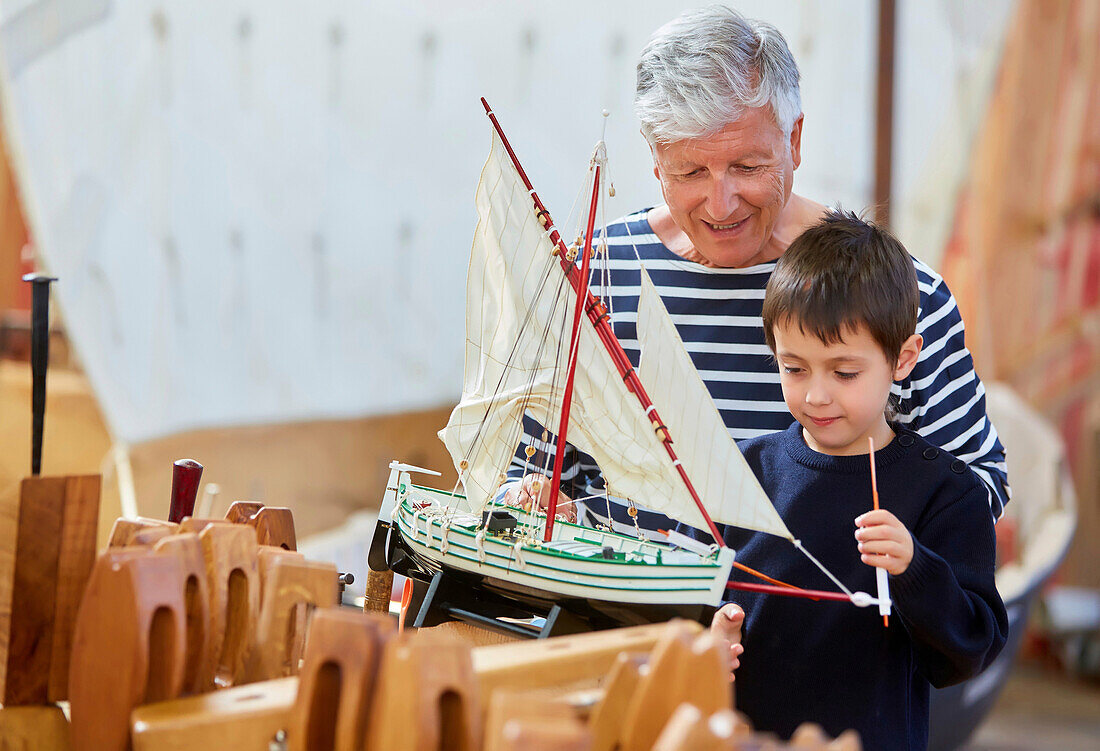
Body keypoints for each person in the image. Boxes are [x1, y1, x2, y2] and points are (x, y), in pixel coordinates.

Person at [503, 5, 1009, 535]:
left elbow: (978, 486)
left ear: (794, 141)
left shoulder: (898, 291)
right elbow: (535, 473)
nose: (721, 204)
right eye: (690, 171)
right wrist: (535, 500)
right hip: (624, 609)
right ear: (655, 161)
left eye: (747, 167)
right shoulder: (593, 276)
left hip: (814, 611)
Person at [701, 209, 1008, 749]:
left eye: (844, 372)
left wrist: (915, 567)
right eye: (794, 368)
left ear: (903, 358)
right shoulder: (743, 471)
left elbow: (969, 652)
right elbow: (705, 597)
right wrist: (709, 640)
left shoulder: (946, 492)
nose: (816, 394)